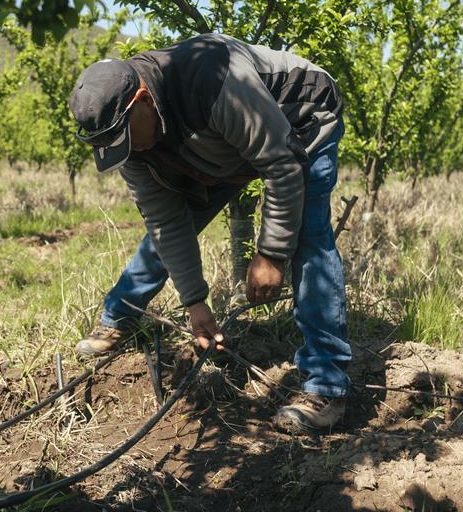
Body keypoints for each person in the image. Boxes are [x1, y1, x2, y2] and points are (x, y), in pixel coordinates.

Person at [67, 33, 351, 434]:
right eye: (112, 145)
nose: (125, 151)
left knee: (307, 235)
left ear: (143, 100)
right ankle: (120, 316)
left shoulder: (214, 80)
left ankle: (327, 387)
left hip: (299, 118)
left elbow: (283, 165)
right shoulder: (127, 137)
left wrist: (270, 254)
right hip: (221, 144)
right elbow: (165, 222)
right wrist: (195, 303)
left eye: (126, 138)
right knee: (166, 229)